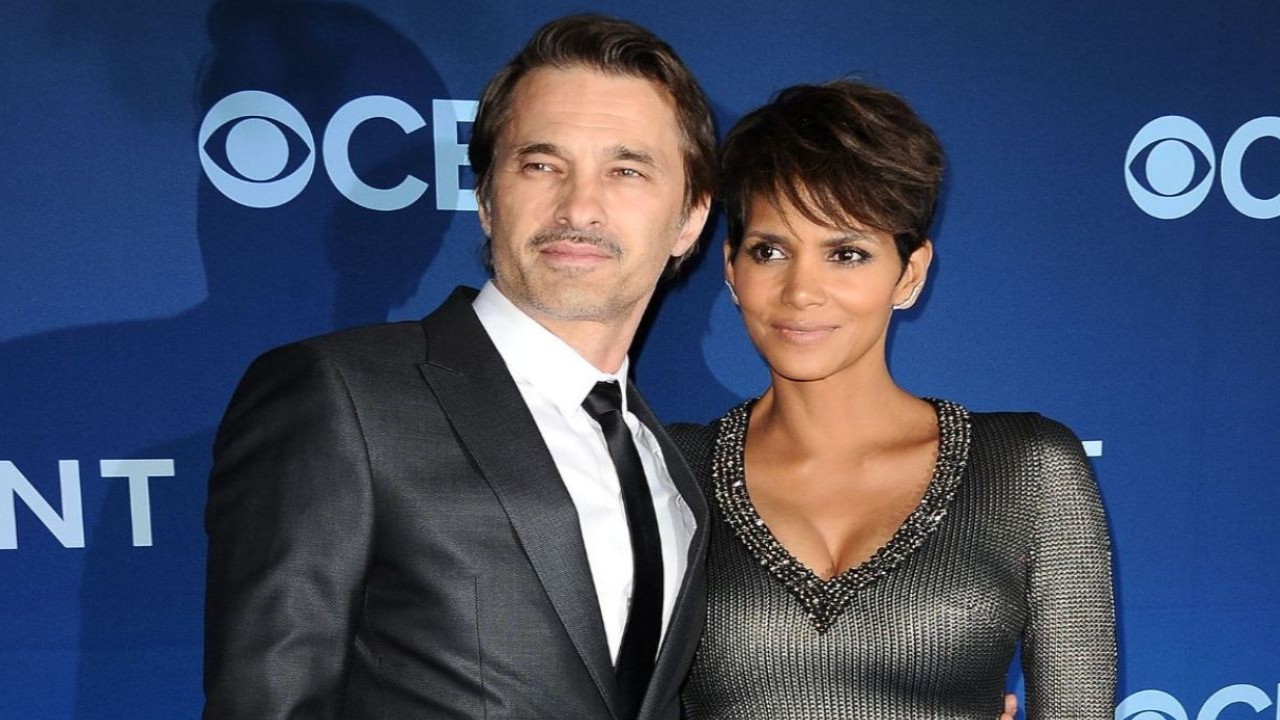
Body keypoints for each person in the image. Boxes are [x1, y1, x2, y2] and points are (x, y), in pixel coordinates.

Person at [202, 15, 715, 719]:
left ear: (690, 219)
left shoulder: (671, 467)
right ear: (484, 199)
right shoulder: (344, 397)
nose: (579, 206)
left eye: (625, 170)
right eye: (542, 165)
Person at [671, 81, 1116, 719]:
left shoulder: (1028, 470)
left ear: (909, 273)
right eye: (770, 251)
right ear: (732, 270)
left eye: (846, 254)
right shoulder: (673, 469)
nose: (801, 291)